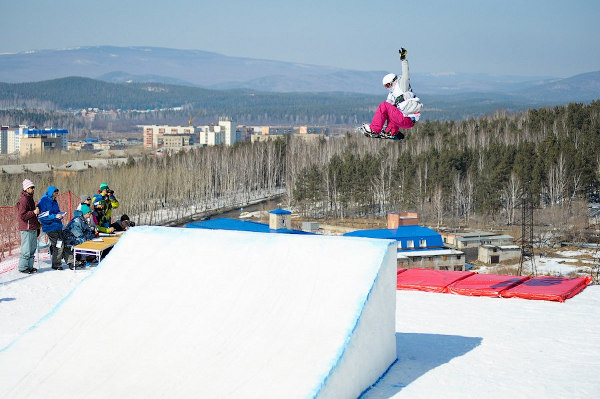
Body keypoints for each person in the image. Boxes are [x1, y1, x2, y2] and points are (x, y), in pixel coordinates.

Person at [360, 48, 424, 139]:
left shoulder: (402, 85)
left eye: (388, 85)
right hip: (405, 120)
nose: (388, 87)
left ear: (394, 81)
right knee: (390, 108)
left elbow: (406, 74)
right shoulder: (392, 94)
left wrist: (403, 59)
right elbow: (386, 110)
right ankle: (391, 131)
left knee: (384, 105)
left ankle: (374, 129)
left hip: (407, 118)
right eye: (386, 86)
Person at [38, 186, 72, 270]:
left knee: (64, 243)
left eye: (57, 191)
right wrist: (55, 216)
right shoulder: (44, 201)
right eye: (55, 192)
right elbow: (42, 216)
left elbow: (56, 212)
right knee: (59, 244)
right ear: (50, 192)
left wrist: (61, 214)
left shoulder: (54, 201)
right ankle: (56, 264)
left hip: (58, 225)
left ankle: (71, 262)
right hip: (50, 227)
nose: (57, 193)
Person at [17, 179, 41, 274]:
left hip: (32, 227)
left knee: (32, 248)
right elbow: (22, 215)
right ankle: (23, 267)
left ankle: (30, 267)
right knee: (26, 249)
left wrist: (37, 224)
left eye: (34, 187)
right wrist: (34, 212)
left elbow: (32, 214)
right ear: (26, 188)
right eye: (31, 187)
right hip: (26, 228)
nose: (33, 189)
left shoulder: (30, 198)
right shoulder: (24, 200)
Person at [63, 204, 97, 269]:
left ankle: (87, 257)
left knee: (89, 239)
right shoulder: (77, 220)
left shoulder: (84, 220)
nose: (90, 215)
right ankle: (82, 259)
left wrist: (92, 235)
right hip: (69, 238)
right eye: (90, 213)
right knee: (84, 241)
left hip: (77, 237)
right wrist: (88, 237)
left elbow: (87, 231)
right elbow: (78, 234)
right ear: (86, 213)